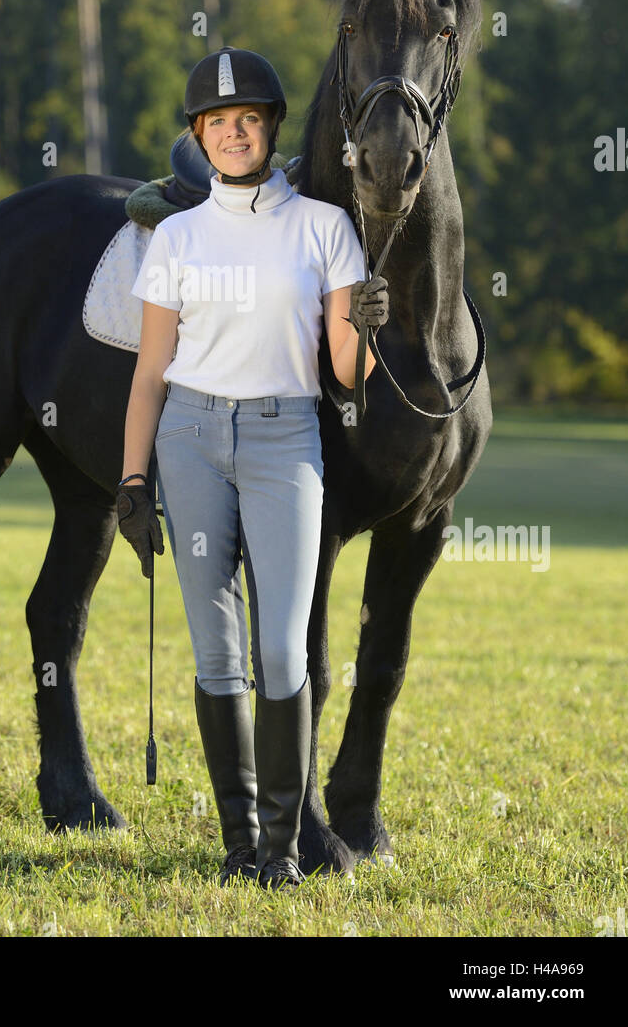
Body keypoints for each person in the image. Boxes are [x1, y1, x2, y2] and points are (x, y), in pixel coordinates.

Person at [116, 46, 388, 890]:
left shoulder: (323, 227)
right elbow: (150, 371)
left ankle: (281, 849)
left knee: (281, 650)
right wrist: (132, 479)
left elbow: (344, 371)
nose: (233, 134)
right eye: (216, 122)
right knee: (216, 655)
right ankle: (239, 847)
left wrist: (367, 326)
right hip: (190, 438)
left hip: (284, 441)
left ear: (270, 128)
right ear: (198, 137)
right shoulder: (178, 236)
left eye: (248, 119)